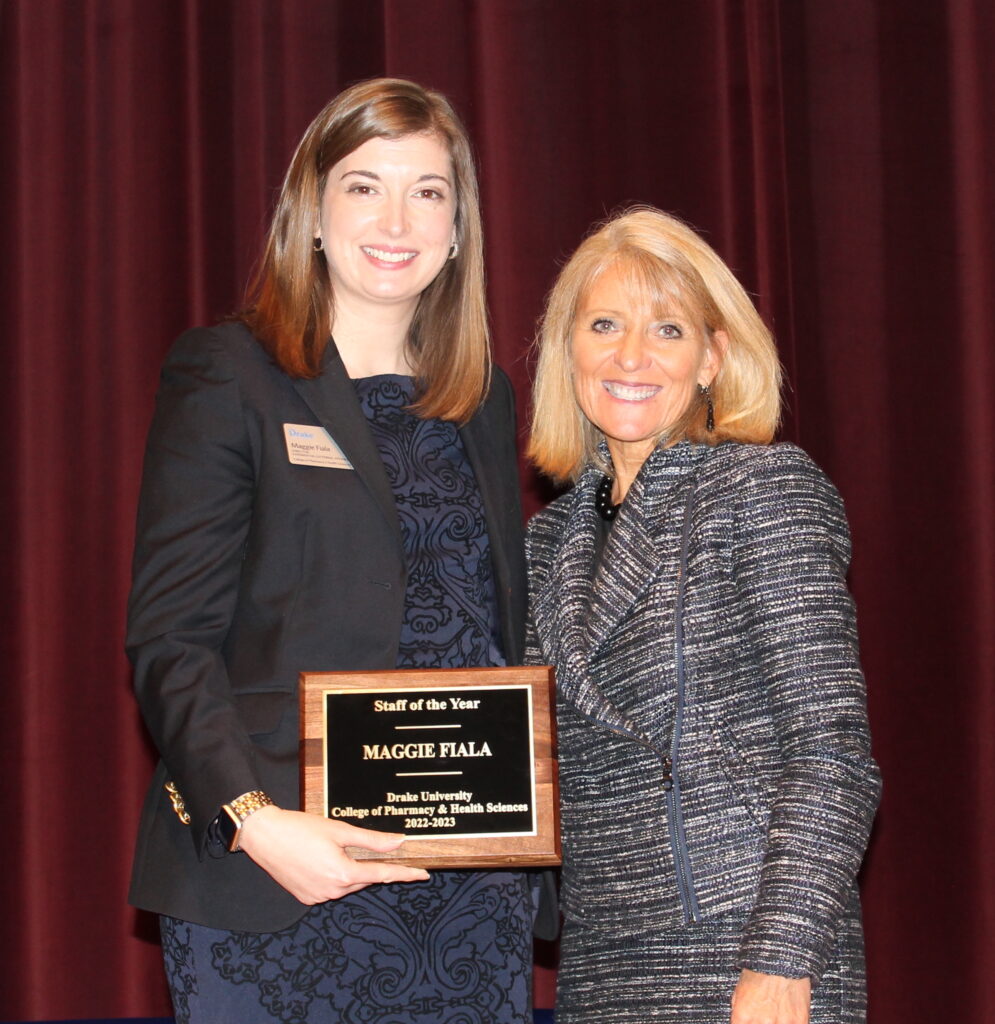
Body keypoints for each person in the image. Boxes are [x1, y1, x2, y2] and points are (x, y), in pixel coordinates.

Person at [127, 78, 534, 1024]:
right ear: (311, 210)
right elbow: (170, 640)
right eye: (363, 185)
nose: (396, 218)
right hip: (278, 874)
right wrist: (254, 824)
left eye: (428, 191)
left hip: (463, 884)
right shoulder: (227, 371)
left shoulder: (485, 400)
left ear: (459, 225)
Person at [525, 206, 881, 1024]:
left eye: (668, 330)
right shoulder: (546, 541)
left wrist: (783, 959)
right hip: (600, 950)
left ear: (713, 357)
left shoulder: (761, 488)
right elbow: (525, 755)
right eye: (604, 324)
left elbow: (829, 750)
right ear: (567, 350)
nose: (630, 357)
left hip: (743, 938)